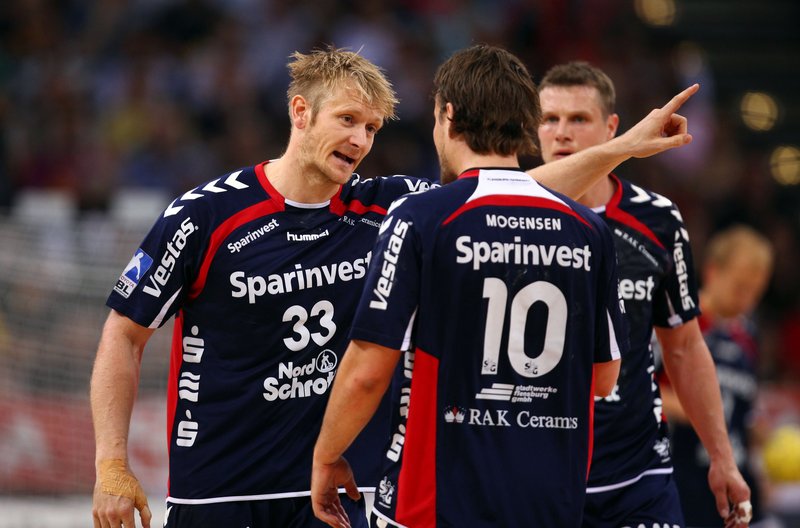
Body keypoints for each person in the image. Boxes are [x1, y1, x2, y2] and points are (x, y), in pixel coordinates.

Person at [91, 46, 698, 528]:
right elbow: (124, 335)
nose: (361, 141)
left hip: (335, 494)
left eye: (373, 128)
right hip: (222, 491)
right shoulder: (206, 215)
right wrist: (111, 465)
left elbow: (510, 190)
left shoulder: (388, 207)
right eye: (347, 121)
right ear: (300, 112)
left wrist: (623, 148)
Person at [308, 43, 698, 528]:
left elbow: (367, 371)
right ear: (527, 125)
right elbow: (604, 379)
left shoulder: (421, 217)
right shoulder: (589, 229)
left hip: (435, 502)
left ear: (449, 116)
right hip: (549, 502)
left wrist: (326, 455)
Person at [536, 60, 752, 528]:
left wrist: (723, 457)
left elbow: (685, 346)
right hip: (537, 473)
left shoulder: (657, 218)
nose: (561, 132)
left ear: (613, 127)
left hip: (637, 477)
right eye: (549, 119)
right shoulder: (508, 212)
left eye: (578, 119)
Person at [660, 225, 774, 527]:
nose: (747, 300)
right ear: (713, 272)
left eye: (756, 292)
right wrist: (694, 408)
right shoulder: (677, 324)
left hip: (737, 475)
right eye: (740, 288)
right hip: (685, 475)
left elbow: (745, 407)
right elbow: (640, 390)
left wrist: (757, 436)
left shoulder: (747, 335)